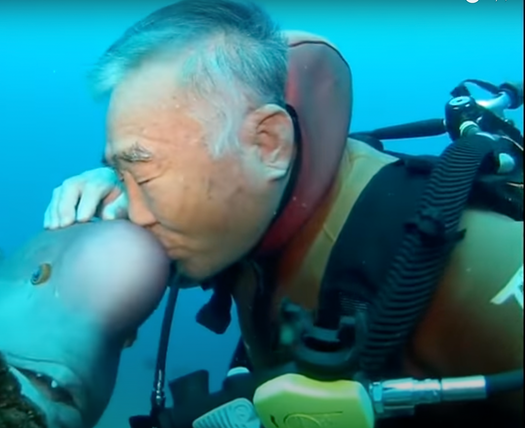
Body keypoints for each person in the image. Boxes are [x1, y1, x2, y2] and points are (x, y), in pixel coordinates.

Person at [43, 0, 523, 426]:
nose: (136, 212)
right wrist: (110, 192)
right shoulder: (248, 211)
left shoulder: (471, 266)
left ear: (268, 144)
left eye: (143, 173)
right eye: (120, 171)